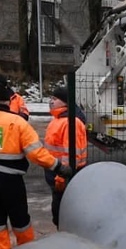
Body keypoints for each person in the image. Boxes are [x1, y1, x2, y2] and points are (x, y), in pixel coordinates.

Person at [0, 84, 72, 249]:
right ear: (9, 101)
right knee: (20, 218)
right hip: (9, 180)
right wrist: (58, 167)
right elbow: (35, 153)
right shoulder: (17, 123)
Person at [43, 85, 88, 228]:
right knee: (60, 211)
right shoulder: (57, 120)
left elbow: (70, 154)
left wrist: (61, 177)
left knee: (63, 212)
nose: (51, 101)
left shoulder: (70, 123)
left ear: (65, 102)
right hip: (57, 174)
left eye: (55, 99)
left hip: (64, 176)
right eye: (51, 98)